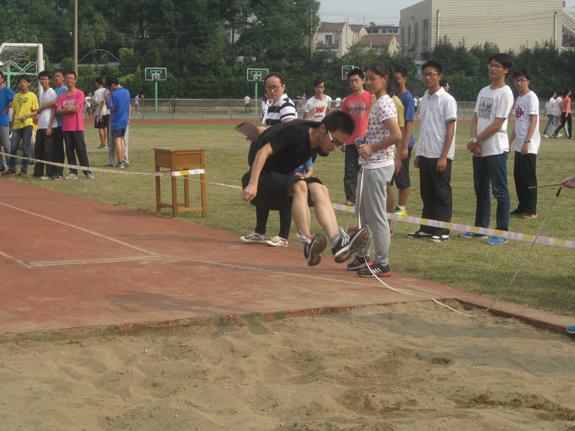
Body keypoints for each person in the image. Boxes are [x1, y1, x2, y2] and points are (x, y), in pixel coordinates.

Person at [241, 111, 369, 267]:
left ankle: (338, 243)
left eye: (340, 144)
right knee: (300, 184)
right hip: (259, 181)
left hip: (281, 183)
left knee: (320, 189)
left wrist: (267, 132)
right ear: (322, 128)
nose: (335, 147)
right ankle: (307, 243)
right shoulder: (296, 132)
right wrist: (253, 184)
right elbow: (263, 152)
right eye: (334, 141)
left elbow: (279, 135)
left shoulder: (321, 139)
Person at [347, 62, 402, 277]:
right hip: (369, 165)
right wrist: (366, 141)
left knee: (376, 216)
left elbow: (396, 135)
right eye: (366, 78)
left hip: (378, 166)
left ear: (385, 79)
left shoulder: (385, 103)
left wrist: (371, 147)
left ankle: (382, 262)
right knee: (362, 213)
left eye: (372, 78)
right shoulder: (377, 102)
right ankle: (363, 255)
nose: (368, 82)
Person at [460, 53, 514, 245]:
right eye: (490, 65)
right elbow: (475, 117)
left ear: (506, 70)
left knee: (499, 190)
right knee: (480, 190)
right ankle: (480, 229)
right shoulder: (483, 90)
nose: (492, 69)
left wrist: (475, 140)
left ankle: (502, 232)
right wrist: (474, 141)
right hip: (480, 148)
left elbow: (498, 124)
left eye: (497, 66)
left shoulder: (506, 93)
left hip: (496, 148)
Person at [240, 72, 297, 247]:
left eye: (275, 87)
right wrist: (258, 136)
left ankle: (284, 236)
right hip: (271, 156)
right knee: (261, 188)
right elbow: (273, 131)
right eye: (268, 87)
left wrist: (266, 132)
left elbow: (290, 130)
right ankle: (260, 232)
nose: (271, 90)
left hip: (282, 158)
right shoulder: (272, 105)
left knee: (285, 193)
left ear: (283, 87)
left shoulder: (286, 105)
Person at [408, 60, 457, 242]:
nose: (427, 77)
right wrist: (419, 153)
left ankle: (443, 229)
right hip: (426, 153)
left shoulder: (447, 100)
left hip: (440, 154)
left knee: (441, 193)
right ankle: (427, 227)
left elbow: (450, 129)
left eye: (431, 74)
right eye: (425, 74)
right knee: (427, 193)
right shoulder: (424, 99)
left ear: (440, 76)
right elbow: (425, 127)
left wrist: (444, 156)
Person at [509, 69, 540, 220]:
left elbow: (533, 120)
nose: (519, 83)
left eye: (522, 80)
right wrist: (509, 142)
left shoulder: (531, 97)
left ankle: (531, 209)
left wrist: (527, 141)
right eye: (516, 80)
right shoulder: (519, 98)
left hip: (529, 144)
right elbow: (517, 122)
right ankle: (522, 207)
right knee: (518, 176)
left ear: (528, 81)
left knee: (528, 177)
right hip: (519, 144)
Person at [340, 68, 374, 206]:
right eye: (351, 81)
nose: (354, 83)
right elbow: (343, 121)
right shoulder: (347, 100)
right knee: (350, 171)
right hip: (350, 141)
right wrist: (342, 140)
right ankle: (351, 198)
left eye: (356, 80)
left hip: (367, 141)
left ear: (362, 81)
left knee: (366, 171)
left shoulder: (370, 97)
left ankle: (365, 197)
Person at [55, 71, 94, 180]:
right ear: (65, 79)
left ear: (75, 80)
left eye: (71, 78)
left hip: (77, 126)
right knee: (69, 150)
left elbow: (76, 108)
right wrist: (68, 109)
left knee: (81, 149)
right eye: (67, 78)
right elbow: (58, 110)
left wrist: (65, 110)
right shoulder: (62, 96)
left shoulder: (79, 93)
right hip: (66, 127)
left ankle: (87, 172)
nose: (69, 80)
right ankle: (73, 172)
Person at [388, 64, 416, 217]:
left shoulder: (407, 98)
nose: (395, 81)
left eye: (397, 78)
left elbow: (408, 124)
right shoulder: (393, 96)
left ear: (404, 79)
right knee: (390, 177)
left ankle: (402, 207)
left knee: (402, 175)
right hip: (392, 143)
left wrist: (404, 147)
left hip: (403, 144)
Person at [3, 75, 38, 177]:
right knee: (13, 148)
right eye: (21, 82)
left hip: (27, 125)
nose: (23, 84)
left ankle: (24, 169)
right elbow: (14, 111)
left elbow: (36, 111)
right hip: (16, 126)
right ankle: (12, 169)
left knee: (26, 147)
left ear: (28, 83)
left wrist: (27, 116)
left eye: (25, 82)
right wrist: (12, 126)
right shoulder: (16, 96)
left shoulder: (32, 96)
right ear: (18, 84)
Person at [29, 71, 58, 179]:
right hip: (41, 125)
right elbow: (40, 110)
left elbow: (54, 108)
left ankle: (49, 173)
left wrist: (50, 126)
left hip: (48, 126)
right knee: (39, 150)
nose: (43, 81)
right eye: (41, 79)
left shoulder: (51, 92)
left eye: (45, 79)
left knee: (48, 150)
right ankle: (38, 172)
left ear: (49, 80)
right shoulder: (43, 94)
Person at [106, 76, 131, 168]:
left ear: (113, 85)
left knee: (117, 139)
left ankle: (120, 162)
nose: (110, 90)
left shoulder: (114, 94)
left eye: (109, 88)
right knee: (122, 139)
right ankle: (123, 161)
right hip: (124, 119)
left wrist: (108, 100)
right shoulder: (127, 92)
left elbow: (112, 107)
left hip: (116, 119)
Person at [0, 71, 15, 172]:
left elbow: (15, 99)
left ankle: (12, 167)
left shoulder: (6, 90)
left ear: (2, 79)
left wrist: (8, 107)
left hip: (3, 121)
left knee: (6, 144)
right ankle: (1, 166)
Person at [93, 77, 108, 149]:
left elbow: (96, 103)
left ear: (97, 83)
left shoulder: (96, 92)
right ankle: (104, 142)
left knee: (100, 128)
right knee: (105, 127)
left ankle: (103, 143)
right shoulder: (106, 90)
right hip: (107, 111)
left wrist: (93, 101)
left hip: (100, 112)